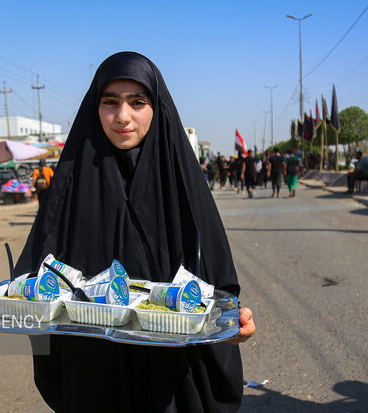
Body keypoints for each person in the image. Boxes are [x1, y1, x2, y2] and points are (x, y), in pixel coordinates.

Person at [15, 52, 256, 413]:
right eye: (110, 102)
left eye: (137, 102)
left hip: (172, 376)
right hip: (94, 373)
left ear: (156, 108)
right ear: (94, 110)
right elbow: (34, 276)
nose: (123, 116)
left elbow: (218, 285)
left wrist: (233, 322)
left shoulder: (181, 185)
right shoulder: (69, 187)